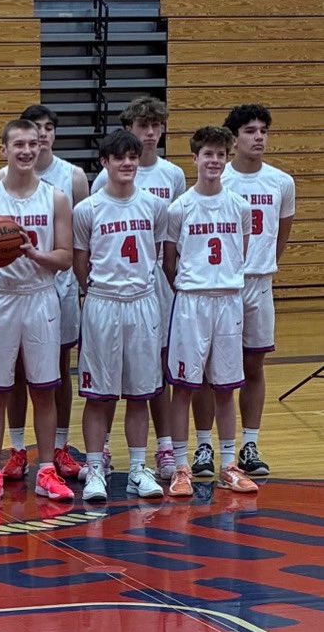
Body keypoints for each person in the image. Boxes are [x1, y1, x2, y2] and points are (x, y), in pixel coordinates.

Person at [0, 118, 74, 507]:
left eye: (33, 144)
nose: (27, 150)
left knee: (44, 390)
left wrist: (35, 254)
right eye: (19, 144)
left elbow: (64, 257)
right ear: (4, 150)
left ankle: (46, 469)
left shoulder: (56, 198)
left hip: (40, 296)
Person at [191, 104, 295, 478]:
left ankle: (250, 443)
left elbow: (281, 235)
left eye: (264, 130)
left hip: (259, 283)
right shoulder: (221, 181)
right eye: (251, 131)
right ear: (233, 140)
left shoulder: (281, 182)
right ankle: (204, 446)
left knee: (253, 365)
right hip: (221, 287)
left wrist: (262, 266)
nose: (259, 137)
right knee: (206, 370)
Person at [89, 95, 186, 481]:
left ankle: (163, 447)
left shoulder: (173, 175)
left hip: (154, 289)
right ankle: (106, 449)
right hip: (112, 291)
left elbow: (172, 238)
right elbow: (92, 249)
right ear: (128, 130)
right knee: (111, 376)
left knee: (153, 373)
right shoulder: (103, 181)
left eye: (155, 126)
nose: (149, 133)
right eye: (142, 126)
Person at [0, 105, 89, 485]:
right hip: (12, 291)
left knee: (55, 375)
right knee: (16, 373)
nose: (42, 137)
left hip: (56, 289)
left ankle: (59, 448)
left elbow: (78, 239)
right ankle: (17, 450)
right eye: (35, 131)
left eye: (48, 130)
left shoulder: (73, 177)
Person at [73, 130, 167, 503]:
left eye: (132, 156)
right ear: (105, 163)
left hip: (143, 303)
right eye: (119, 157)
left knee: (140, 394)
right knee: (99, 395)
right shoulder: (88, 209)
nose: (127, 163)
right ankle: (95, 468)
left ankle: (139, 469)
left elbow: (156, 253)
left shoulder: (154, 206)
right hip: (102, 302)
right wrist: (97, 293)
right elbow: (81, 265)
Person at [163, 126, 256, 497]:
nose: (214, 161)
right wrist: (192, 286)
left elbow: (242, 251)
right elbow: (169, 262)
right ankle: (182, 466)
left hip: (228, 299)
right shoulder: (179, 207)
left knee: (226, 386)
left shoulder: (240, 205)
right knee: (184, 387)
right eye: (208, 155)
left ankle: (229, 464)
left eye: (220, 154)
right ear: (195, 159)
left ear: (227, 157)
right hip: (191, 301)